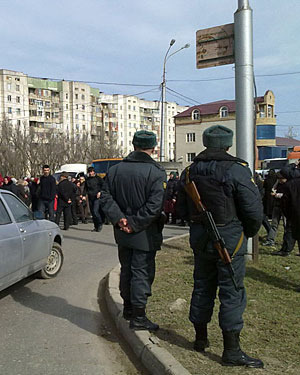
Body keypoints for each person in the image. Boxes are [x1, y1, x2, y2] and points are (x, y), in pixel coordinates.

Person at [176, 125, 263, 368]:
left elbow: (182, 210)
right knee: (232, 291)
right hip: (230, 238)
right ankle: (232, 351)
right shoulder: (237, 170)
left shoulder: (189, 171)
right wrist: (248, 233)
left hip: (200, 238)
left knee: (202, 285)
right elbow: (253, 210)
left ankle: (200, 338)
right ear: (228, 144)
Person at [100, 130, 166, 331]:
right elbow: (154, 206)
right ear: (153, 148)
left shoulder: (115, 170)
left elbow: (105, 197)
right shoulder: (156, 172)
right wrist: (135, 223)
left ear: (133, 144)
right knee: (141, 272)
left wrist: (121, 220)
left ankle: (128, 307)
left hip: (122, 231)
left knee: (126, 268)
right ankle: (138, 315)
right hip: (144, 232)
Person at [84, 167, 104, 232]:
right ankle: (96, 226)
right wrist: (84, 195)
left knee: (96, 211)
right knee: (93, 212)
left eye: (91, 172)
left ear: (93, 172)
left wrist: (100, 192)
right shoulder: (87, 180)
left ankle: (100, 223)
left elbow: (104, 186)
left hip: (97, 197)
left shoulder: (98, 179)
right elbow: (85, 188)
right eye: (89, 172)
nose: (90, 173)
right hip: (90, 197)